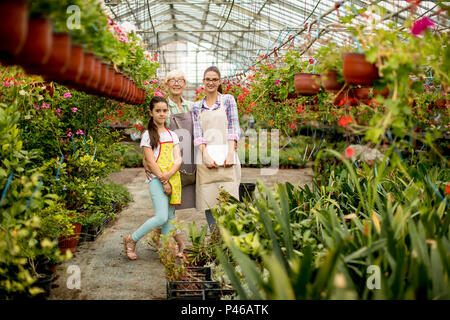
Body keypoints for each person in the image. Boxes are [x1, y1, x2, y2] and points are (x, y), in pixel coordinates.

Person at [123, 96, 182, 260]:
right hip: (156, 179)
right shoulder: (148, 135)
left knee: (170, 217)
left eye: (164, 111)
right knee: (161, 216)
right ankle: (131, 239)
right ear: (151, 112)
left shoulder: (173, 135)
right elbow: (150, 160)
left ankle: (164, 250)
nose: (162, 114)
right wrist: (164, 180)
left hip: (173, 178)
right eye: (158, 111)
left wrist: (169, 177)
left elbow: (178, 159)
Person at [144, 70, 194, 256]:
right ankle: (169, 242)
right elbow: (150, 135)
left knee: (175, 205)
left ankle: (163, 239)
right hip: (166, 165)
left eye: (180, 80)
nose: (176, 83)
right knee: (167, 208)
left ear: (185, 84)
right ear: (167, 84)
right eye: (172, 80)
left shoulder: (191, 105)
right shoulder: (162, 106)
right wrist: (146, 162)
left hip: (184, 160)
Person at [191, 66, 241, 231]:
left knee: (229, 199)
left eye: (214, 79)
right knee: (209, 199)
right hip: (206, 157)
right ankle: (214, 239)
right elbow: (198, 134)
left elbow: (234, 128)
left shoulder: (227, 100)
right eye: (207, 79)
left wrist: (230, 153)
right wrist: (205, 155)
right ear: (203, 82)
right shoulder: (197, 107)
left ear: (219, 82)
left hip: (227, 155)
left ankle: (229, 241)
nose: (211, 82)